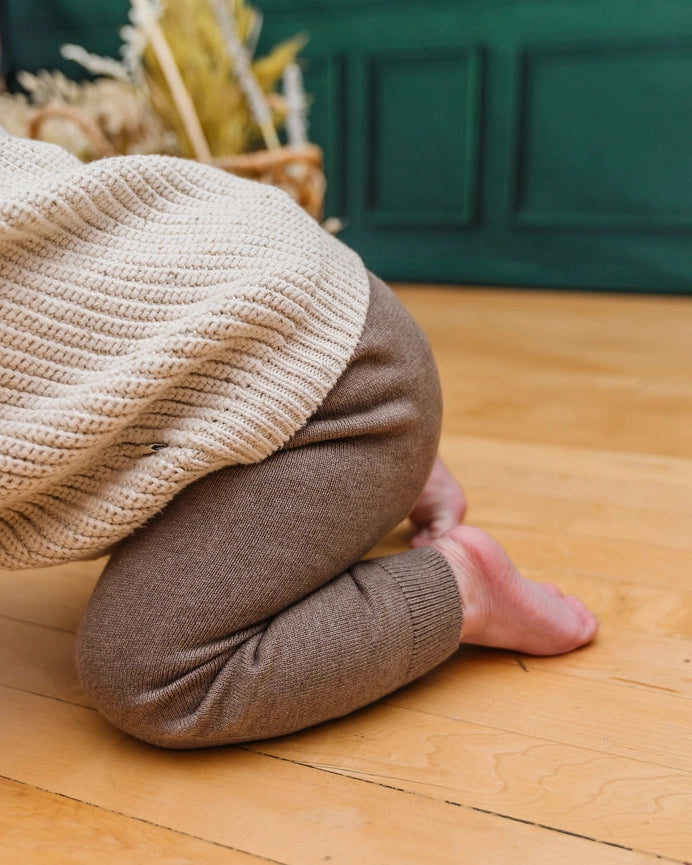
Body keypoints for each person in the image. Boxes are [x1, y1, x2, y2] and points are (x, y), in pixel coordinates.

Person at [0, 130, 598, 749]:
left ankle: (461, 585)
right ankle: (376, 461)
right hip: (313, 318)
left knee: (152, 675)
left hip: (350, 397)